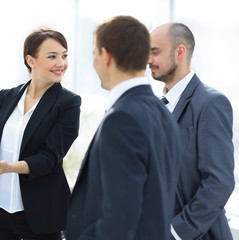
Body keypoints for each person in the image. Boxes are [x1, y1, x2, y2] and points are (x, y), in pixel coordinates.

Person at [0, 27, 81, 240]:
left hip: (39, 213)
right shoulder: (5, 97)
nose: (61, 63)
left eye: (64, 56)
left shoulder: (68, 103)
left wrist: (9, 168)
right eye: (52, 56)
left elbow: (49, 158)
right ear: (31, 60)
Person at [66, 15, 181, 240]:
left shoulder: (122, 119)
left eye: (94, 54)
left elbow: (119, 219)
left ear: (106, 56)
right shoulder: (163, 114)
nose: (94, 62)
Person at [148, 22, 235, 240]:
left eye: (155, 52)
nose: (148, 60)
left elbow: (219, 183)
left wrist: (175, 232)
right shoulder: (154, 106)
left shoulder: (211, 103)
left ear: (180, 52)